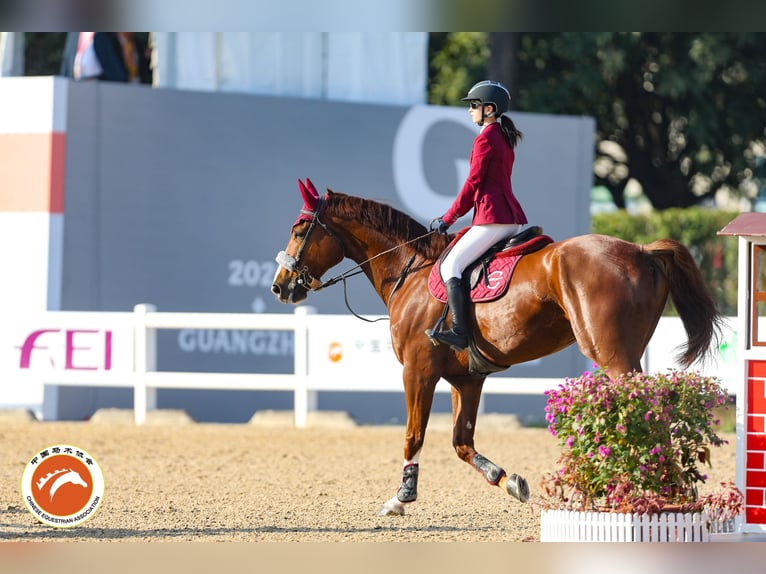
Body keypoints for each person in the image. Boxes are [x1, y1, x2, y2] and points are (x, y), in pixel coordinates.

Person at [427, 80, 527, 351]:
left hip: (493, 217)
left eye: (474, 105)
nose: (470, 110)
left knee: (450, 267)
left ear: (490, 109)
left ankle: (460, 331)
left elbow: (473, 184)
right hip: (509, 217)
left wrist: (448, 218)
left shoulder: (486, 138)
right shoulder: (503, 137)